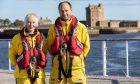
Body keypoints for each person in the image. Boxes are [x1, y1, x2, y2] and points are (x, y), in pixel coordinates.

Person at [47, 1, 90, 84]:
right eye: (62, 11)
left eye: (66, 10)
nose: (64, 13)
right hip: (58, 69)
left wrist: (80, 58)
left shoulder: (81, 27)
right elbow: (49, 47)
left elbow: (86, 46)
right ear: (59, 11)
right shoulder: (52, 28)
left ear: (71, 10)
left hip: (76, 69)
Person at [9, 13, 47, 84]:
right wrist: (20, 65)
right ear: (25, 23)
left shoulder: (42, 38)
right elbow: (12, 55)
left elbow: (44, 53)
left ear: (37, 24)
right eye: (29, 22)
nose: (31, 24)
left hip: (39, 75)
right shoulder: (17, 38)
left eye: (33, 22)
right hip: (22, 75)